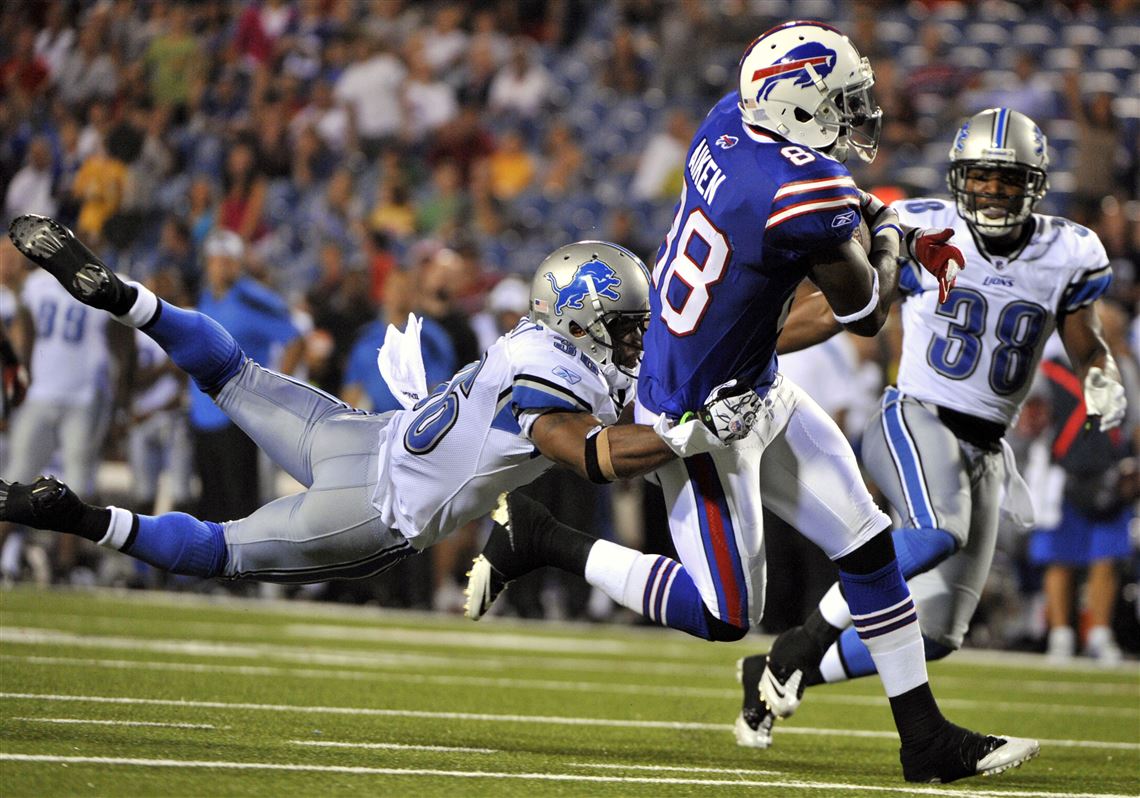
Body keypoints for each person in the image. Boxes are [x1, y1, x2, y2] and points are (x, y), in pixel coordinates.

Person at [464, 22, 1035, 784]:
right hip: (697, 419)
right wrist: (896, 228)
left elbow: (832, 199)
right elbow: (864, 309)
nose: (857, 113)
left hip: (752, 380)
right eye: (842, 100)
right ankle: (543, 540)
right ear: (798, 107)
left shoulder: (727, 121)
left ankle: (924, 739)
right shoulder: (806, 192)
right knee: (726, 615)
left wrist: (878, 216)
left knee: (866, 544)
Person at [1, 218, 752, 598]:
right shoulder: (557, 378)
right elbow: (589, 454)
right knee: (222, 547)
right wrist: (695, 434)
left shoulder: (535, 335)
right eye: (627, 324)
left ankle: (127, 298)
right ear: (585, 322)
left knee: (232, 372)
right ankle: (77, 518)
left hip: (361, 434)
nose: (638, 336)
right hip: (377, 508)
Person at [734, 108, 1126, 748]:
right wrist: (754, 344)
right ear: (959, 178)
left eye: (1008, 178)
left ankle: (776, 670)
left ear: (1035, 183)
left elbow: (1086, 342)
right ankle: (804, 638)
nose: (994, 190)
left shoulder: (1068, 252)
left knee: (938, 635)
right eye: (982, 176)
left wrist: (1100, 373)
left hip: (986, 447)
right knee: (938, 530)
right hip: (915, 415)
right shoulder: (927, 228)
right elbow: (843, 305)